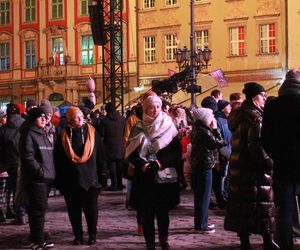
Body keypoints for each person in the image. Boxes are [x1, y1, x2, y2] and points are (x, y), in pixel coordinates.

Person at [224, 82, 279, 250]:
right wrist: (270, 163)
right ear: (255, 96)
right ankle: (268, 241)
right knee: (262, 206)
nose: (264, 99)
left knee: (243, 207)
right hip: (255, 170)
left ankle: (244, 242)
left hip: (239, 167)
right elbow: (256, 145)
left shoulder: (238, 115)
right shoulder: (255, 117)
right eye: (262, 95)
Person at [125, 94, 181, 250]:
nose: (155, 110)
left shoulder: (169, 126)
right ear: (145, 109)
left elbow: (176, 152)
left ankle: (164, 240)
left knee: (163, 213)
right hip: (144, 178)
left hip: (163, 176)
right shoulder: (138, 128)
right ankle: (149, 243)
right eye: (151, 107)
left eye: (157, 106)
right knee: (146, 214)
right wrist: (141, 163)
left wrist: (161, 162)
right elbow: (130, 152)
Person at [261, 69, 300, 250]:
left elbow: (265, 139)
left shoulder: (273, 105)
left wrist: (277, 154)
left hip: (283, 164)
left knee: (284, 209)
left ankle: (286, 245)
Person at [54, 106, 105, 245]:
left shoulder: (93, 133)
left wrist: (103, 176)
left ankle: (92, 234)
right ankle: (78, 235)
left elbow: (100, 156)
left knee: (91, 210)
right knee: (74, 211)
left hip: (91, 179)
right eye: (76, 117)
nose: (80, 119)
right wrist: (60, 182)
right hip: (71, 180)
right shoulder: (63, 136)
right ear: (69, 119)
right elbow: (58, 160)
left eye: (81, 116)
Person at [19, 107, 55, 249]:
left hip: (44, 179)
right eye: (40, 117)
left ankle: (37, 240)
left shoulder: (42, 133)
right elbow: (28, 157)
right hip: (36, 179)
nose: (43, 119)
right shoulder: (29, 133)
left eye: (44, 117)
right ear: (33, 119)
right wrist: (41, 172)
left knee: (38, 211)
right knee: (37, 211)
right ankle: (38, 242)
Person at [191, 107, 226, 234]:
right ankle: (201, 225)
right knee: (203, 196)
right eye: (211, 116)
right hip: (204, 166)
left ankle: (201, 223)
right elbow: (220, 142)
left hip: (199, 165)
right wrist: (216, 129)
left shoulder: (198, 129)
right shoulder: (204, 131)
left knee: (201, 196)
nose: (213, 119)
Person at [99, 102, 125, 191]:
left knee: (112, 165)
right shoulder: (122, 119)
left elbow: (101, 134)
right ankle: (120, 184)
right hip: (120, 145)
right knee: (119, 165)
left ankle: (114, 184)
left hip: (109, 145)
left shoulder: (104, 121)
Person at [214, 100, 232, 208]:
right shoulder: (219, 120)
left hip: (228, 151)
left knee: (226, 176)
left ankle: (224, 195)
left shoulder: (226, 119)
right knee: (222, 176)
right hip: (224, 153)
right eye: (227, 106)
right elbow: (220, 139)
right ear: (222, 108)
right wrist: (226, 153)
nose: (229, 107)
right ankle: (221, 197)